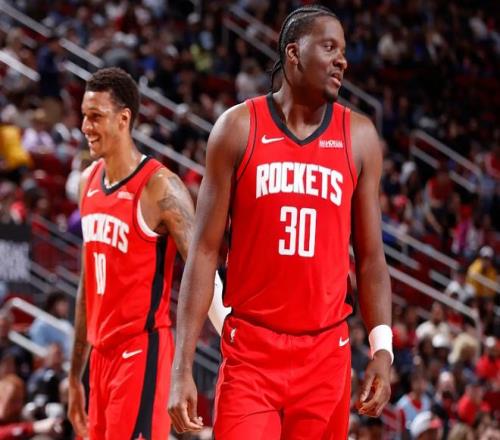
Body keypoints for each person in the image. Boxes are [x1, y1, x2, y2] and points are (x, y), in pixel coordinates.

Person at [169, 5, 393, 439]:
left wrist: (382, 349)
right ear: (294, 53)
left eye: (344, 51)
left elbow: (370, 259)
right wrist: (182, 366)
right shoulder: (237, 128)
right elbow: (204, 251)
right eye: (329, 47)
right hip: (251, 354)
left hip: (325, 355)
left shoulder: (360, 137)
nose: (342, 61)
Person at [67, 67, 226, 439]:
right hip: (100, 359)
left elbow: (203, 271)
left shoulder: (160, 188)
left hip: (141, 351)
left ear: (123, 119)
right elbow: (88, 285)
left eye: (95, 117)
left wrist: (235, 343)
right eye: (84, 116)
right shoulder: (88, 183)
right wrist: (75, 375)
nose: (85, 127)